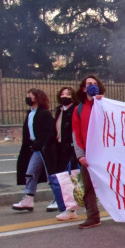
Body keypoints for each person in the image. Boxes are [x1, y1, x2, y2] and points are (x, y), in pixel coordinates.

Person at [13, 89, 57, 212]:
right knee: (30, 173)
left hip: (46, 149)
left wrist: (41, 143)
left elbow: (49, 132)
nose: (28, 98)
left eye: (30, 96)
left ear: (38, 98)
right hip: (35, 148)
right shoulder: (30, 113)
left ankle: (57, 199)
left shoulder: (45, 113)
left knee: (51, 175)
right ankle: (28, 199)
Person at [72, 75, 105, 229]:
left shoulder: (105, 105)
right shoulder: (78, 109)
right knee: (89, 186)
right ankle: (93, 216)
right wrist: (81, 155)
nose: (92, 86)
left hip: (106, 152)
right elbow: (76, 133)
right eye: (89, 84)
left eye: (95, 84)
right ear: (84, 88)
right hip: (88, 153)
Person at [49, 87, 81, 221]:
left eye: (68, 94)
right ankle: (69, 207)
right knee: (63, 178)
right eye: (62, 93)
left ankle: (70, 209)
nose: (64, 96)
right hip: (61, 148)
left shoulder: (75, 110)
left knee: (71, 178)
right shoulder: (60, 110)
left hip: (72, 149)